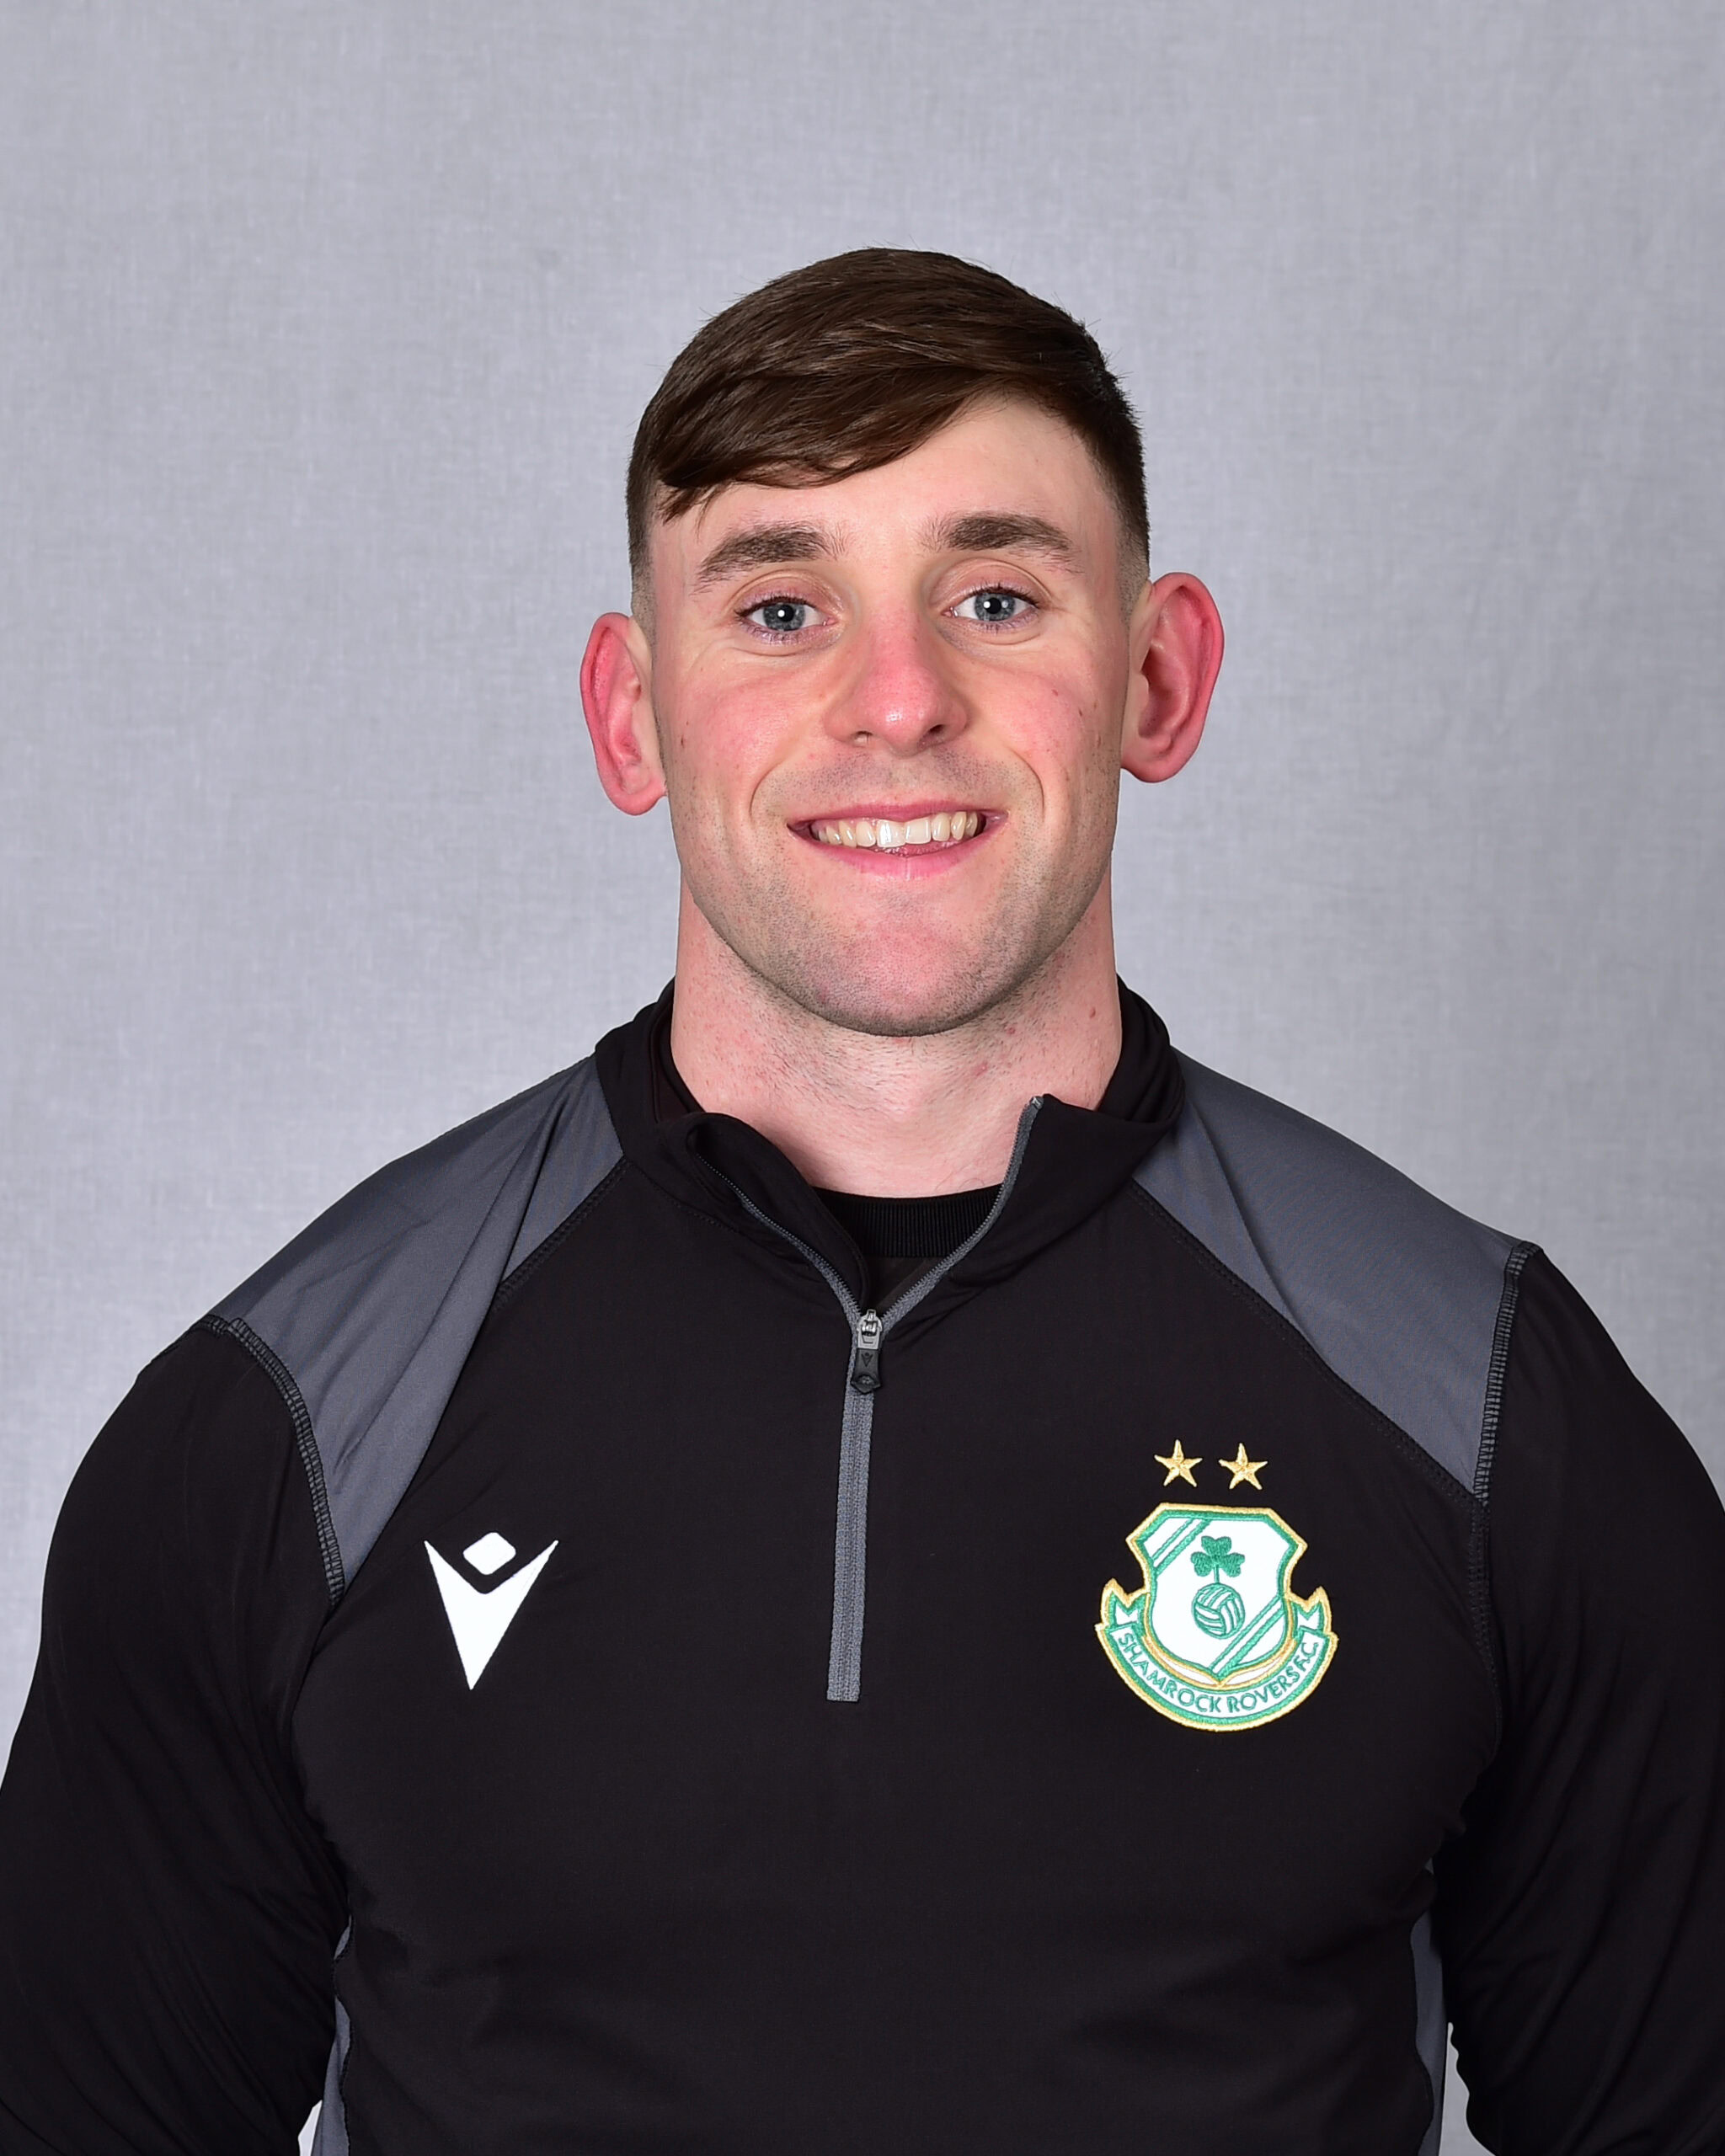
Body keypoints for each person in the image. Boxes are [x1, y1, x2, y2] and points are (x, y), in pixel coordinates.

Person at [1, 248, 1721, 2156]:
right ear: (630, 710)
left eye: (994, 596)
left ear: (1156, 676)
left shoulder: (1484, 1399)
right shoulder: (295, 1416)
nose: (896, 701)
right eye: (779, 606)